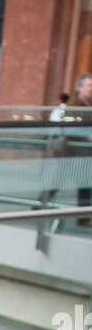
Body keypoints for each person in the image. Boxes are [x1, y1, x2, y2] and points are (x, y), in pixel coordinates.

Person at [73, 72, 92, 224]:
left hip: (86, 152)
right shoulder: (73, 107)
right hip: (72, 152)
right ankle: (39, 205)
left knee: (85, 184)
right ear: (79, 88)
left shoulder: (90, 106)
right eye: (88, 85)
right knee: (56, 183)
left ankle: (83, 217)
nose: (91, 89)